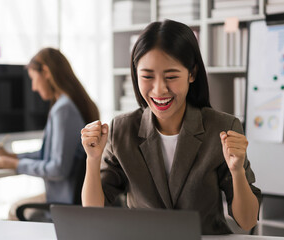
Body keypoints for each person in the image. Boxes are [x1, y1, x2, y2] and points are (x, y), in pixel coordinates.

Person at [80, 20, 261, 235]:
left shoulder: (222, 128)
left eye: (172, 77)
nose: (159, 89)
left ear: (191, 74)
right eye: (147, 76)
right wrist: (92, 159)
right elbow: (93, 211)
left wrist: (237, 171)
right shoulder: (122, 129)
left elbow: (248, 221)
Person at [0, 47, 99, 220]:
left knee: (14, 210)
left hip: (63, 203)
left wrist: (16, 165)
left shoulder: (63, 110)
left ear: (46, 72)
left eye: (33, 79)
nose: (33, 87)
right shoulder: (67, 106)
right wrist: (13, 157)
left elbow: (57, 168)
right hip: (65, 199)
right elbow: (46, 155)